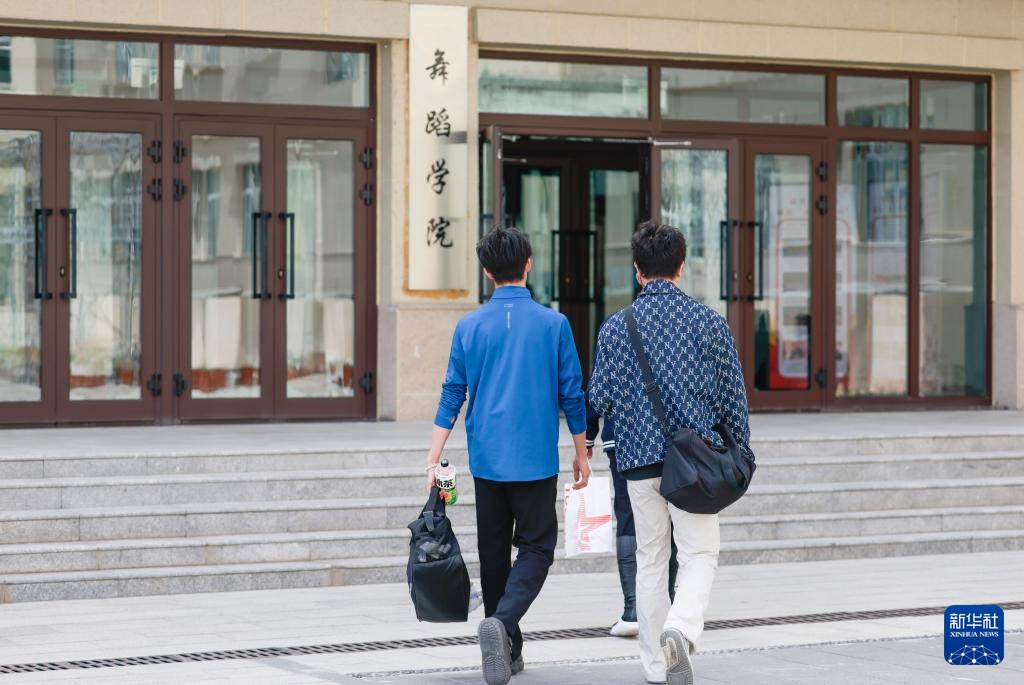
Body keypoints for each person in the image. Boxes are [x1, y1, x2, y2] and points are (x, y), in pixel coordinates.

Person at [589, 221, 752, 685]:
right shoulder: (709, 322)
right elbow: (733, 398)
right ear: (681, 268)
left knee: (651, 559)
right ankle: (680, 628)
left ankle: (656, 667)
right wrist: (741, 452)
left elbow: (598, 397)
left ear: (637, 270)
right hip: (696, 463)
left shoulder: (616, 328)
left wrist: (595, 434)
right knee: (699, 552)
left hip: (638, 461)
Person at [426, 226, 591, 685]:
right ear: (529, 265)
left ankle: (506, 647)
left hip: (488, 460)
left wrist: (433, 458)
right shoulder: (555, 324)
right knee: (537, 548)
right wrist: (581, 453)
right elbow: (572, 395)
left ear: (486, 272)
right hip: (536, 460)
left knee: (494, 555)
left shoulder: (469, 326)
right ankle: (501, 626)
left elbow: (452, 393)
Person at [586, 399, 678, 638]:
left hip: (623, 435)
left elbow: (598, 393)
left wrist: (587, 437)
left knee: (627, 516)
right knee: (672, 513)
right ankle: (667, 605)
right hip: (669, 434)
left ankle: (632, 610)